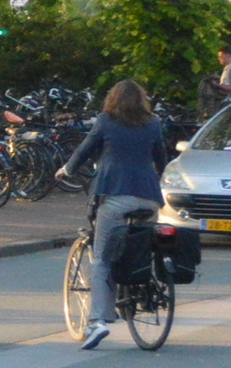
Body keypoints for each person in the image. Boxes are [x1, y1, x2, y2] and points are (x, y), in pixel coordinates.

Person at [58, 79, 169, 349]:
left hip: (116, 197)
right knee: (141, 245)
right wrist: (156, 182)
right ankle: (143, 292)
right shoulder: (153, 123)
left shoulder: (106, 121)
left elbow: (85, 149)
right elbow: (161, 159)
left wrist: (66, 171)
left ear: (113, 99)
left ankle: (98, 321)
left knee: (103, 259)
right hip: (148, 199)